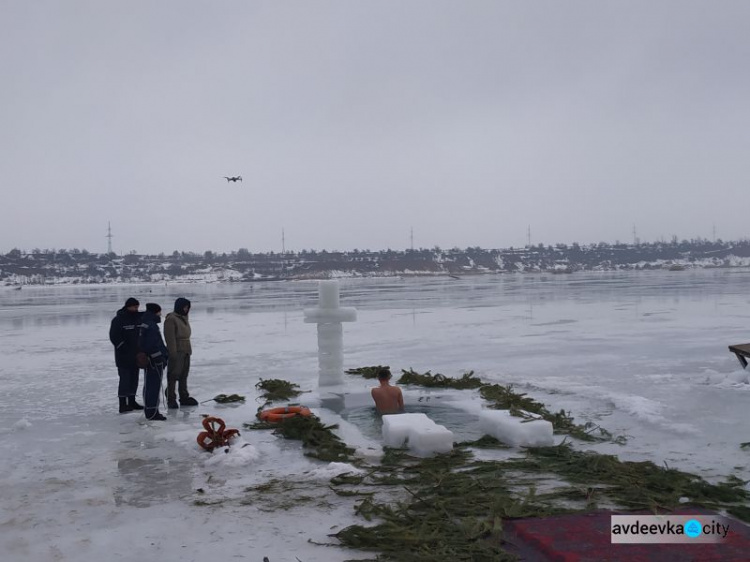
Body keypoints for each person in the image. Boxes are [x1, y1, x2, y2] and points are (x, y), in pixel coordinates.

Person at [109, 297, 144, 414]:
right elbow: (114, 337)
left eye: (137, 307)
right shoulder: (118, 320)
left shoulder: (138, 318)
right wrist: (124, 348)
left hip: (136, 355)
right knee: (124, 380)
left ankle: (132, 401)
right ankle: (123, 404)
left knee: (134, 379)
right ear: (128, 306)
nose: (136, 309)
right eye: (134, 307)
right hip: (123, 357)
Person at [163, 297, 198, 408]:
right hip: (177, 350)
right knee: (173, 375)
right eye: (185, 307)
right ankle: (171, 398)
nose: (187, 309)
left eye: (188, 308)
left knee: (184, 375)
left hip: (186, 349)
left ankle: (184, 396)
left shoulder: (184, 318)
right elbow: (170, 337)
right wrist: (172, 353)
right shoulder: (171, 319)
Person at [138, 303, 169, 421]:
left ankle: (150, 410)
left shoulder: (146, 323)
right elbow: (152, 345)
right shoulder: (151, 325)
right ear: (155, 312)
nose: (160, 314)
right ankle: (152, 412)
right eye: (159, 312)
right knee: (153, 386)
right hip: (154, 362)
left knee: (149, 385)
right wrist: (159, 358)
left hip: (151, 360)